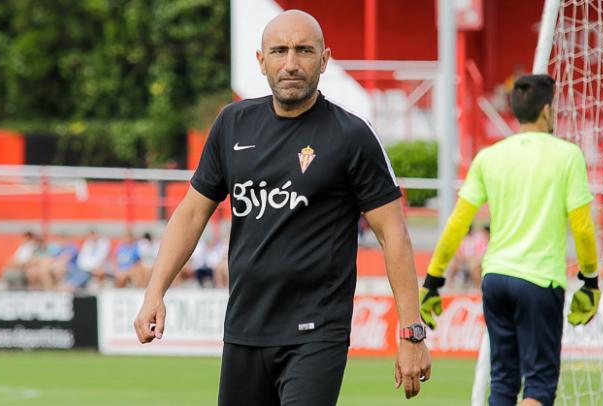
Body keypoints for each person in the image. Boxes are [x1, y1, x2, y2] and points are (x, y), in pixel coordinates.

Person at [134, 9, 430, 405]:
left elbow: (393, 234)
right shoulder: (232, 124)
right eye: (279, 51)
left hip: (316, 333)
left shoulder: (352, 136)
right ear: (261, 61)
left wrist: (412, 332)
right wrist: (155, 291)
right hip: (244, 328)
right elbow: (191, 213)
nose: (291, 63)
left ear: (324, 60)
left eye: (304, 51)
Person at [420, 74, 600, 406]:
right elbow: (583, 227)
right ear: (547, 110)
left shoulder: (490, 156)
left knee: (502, 381)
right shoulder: (567, 155)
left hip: (495, 280)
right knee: (540, 385)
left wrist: (433, 279)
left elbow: (457, 223)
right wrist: (590, 280)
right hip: (538, 280)